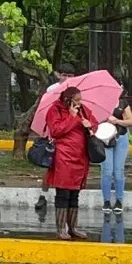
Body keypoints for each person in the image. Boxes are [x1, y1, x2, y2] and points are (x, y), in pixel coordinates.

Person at [44, 86, 97, 240]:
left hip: (80, 157)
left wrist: (90, 125)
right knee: (63, 193)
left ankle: (73, 227)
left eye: (80, 99)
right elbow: (56, 131)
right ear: (68, 100)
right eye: (77, 100)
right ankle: (61, 228)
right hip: (64, 157)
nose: (80, 102)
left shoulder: (83, 110)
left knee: (75, 194)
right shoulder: (55, 110)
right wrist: (72, 117)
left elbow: (94, 123)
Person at [38, 62, 77, 210]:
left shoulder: (76, 92)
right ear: (58, 75)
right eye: (64, 75)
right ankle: (44, 195)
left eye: (70, 76)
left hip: (71, 134)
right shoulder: (52, 91)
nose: (67, 79)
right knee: (50, 166)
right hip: (55, 133)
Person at [101, 83, 132, 214]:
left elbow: (130, 121)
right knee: (107, 171)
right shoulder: (101, 103)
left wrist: (117, 121)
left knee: (119, 171)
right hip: (105, 138)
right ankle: (106, 201)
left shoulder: (123, 104)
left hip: (121, 137)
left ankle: (119, 200)